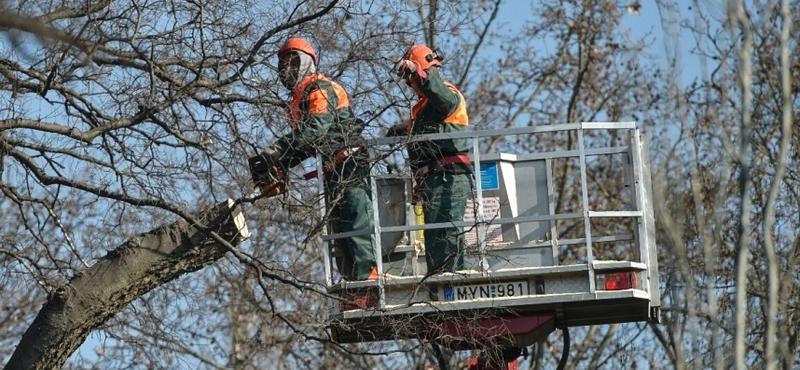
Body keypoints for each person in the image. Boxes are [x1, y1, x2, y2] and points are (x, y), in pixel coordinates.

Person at [248, 37, 377, 281]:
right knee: (339, 228)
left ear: (306, 63)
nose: (288, 68)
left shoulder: (319, 88)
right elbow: (307, 145)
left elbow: (317, 128)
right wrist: (280, 165)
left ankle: (369, 277)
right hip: (331, 168)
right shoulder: (296, 103)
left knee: (355, 221)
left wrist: (277, 150)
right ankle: (354, 283)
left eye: (293, 62)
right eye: (283, 64)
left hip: (350, 162)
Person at [388, 45, 473, 275]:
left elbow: (440, 96)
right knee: (436, 235)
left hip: (448, 175)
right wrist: (400, 130)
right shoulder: (424, 108)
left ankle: (453, 283)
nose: (409, 83)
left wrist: (418, 73)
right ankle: (445, 278)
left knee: (446, 233)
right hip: (434, 178)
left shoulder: (447, 92)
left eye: (410, 77)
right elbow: (424, 133)